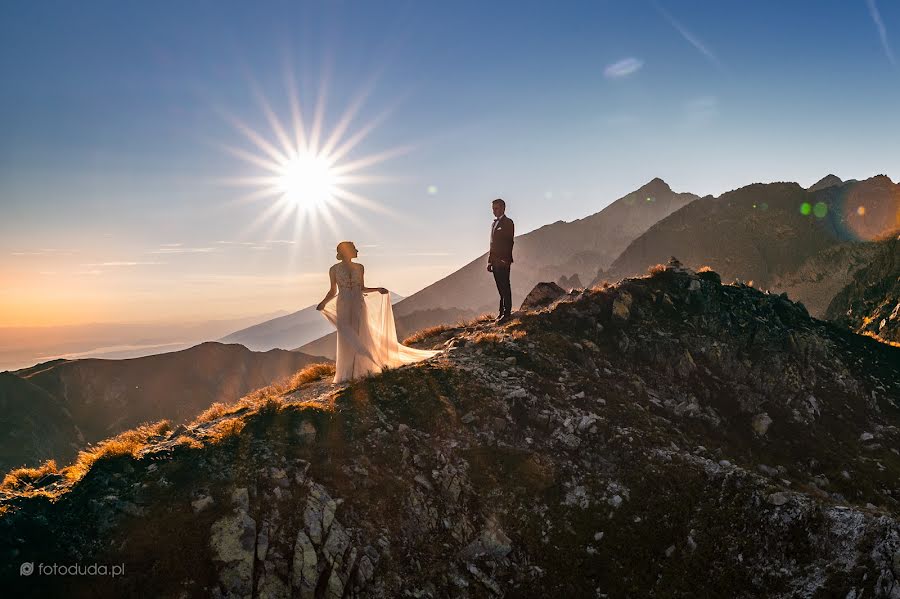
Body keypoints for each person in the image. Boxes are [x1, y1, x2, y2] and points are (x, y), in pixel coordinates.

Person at [316, 241, 441, 383]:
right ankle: (347, 372)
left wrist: (377, 289)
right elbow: (333, 290)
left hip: (358, 304)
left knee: (360, 332)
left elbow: (362, 288)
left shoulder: (360, 267)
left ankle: (362, 367)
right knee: (346, 336)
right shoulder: (334, 269)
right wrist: (323, 303)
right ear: (346, 251)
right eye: (354, 249)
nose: (357, 251)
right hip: (343, 305)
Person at [487, 198, 515, 323]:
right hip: (495, 261)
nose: (494, 211)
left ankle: (507, 313)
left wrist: (506, 259)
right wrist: (489, 261)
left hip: (503, 261)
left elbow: (510, 242)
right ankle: (501, 312)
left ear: (503, 208)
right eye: (493, 208)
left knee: (505, 286)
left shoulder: (508, 222)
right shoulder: (494, 224)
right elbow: (492, 244)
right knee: (500, 287)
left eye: (497, 208)